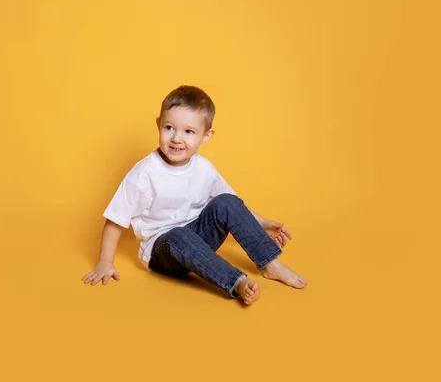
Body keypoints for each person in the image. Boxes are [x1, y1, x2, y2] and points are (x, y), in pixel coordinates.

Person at [81, 85, 307, 305]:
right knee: (179, 234)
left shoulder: (204, 168)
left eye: (189, 132)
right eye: (169, 128)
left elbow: (234, 205)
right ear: (158, 124)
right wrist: (104, 262)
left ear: (206, 136)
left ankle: (270, 264)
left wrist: (262, 223)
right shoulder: (143, 174)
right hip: (163, 250)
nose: (177, 138)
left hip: (199, 238)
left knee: (226, 202)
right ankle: (237, 281)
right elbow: (115, 219)